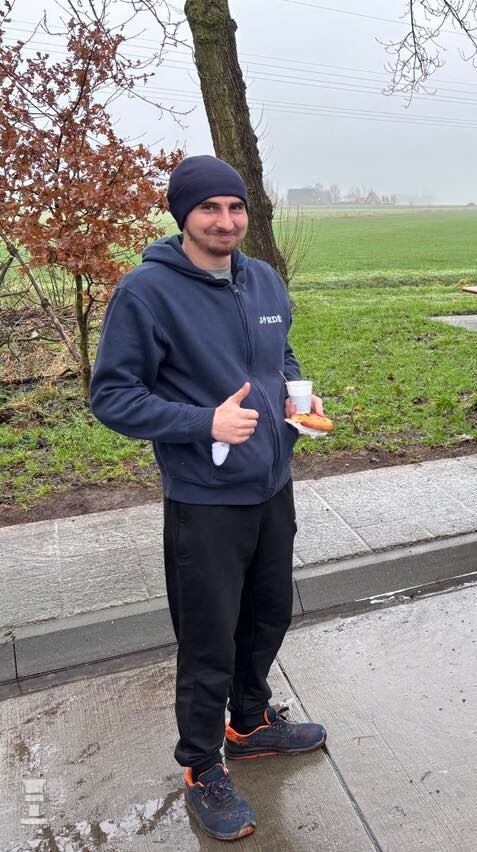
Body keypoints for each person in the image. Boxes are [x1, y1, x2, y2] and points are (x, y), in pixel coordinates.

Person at [90, 155, 326, 842]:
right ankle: (201, 766)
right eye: (209, 209)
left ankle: (248, 723)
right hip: (205, 498)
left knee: (268, 614)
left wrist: (297, 397)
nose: (226, 221)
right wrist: (203, 423)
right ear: (183, 216)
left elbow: (278, 355)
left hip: (272, 483)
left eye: (235, 207)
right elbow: (112, 396)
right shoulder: (146, 292)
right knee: (208, 639)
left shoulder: (263, 279)